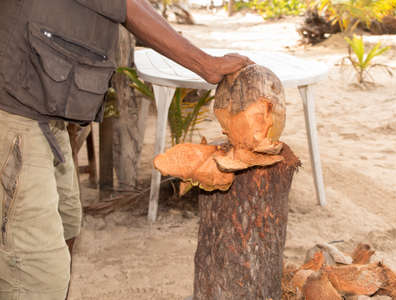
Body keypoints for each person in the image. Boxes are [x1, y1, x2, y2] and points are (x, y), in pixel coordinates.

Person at [0, 0, 252, 299]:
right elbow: (126, 6)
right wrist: (205, 64)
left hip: (44, 115)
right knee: (36, 272)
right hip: (13, 112)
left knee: (67, 222)